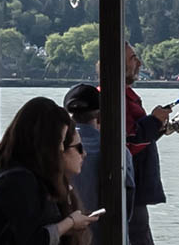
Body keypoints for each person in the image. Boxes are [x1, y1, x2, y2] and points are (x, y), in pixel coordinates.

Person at [0, 96, 97, 245]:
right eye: (59, 141)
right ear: (44, 142)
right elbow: (30, 240)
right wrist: (69, 223)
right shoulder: (19, 182)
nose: (61, 148)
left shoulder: (4, 169)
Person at [63, 84, 134, 245]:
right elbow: (128, 200)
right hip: (109, 236)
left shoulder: (55, 151)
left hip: (70, 236)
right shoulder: (118, 151)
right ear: (100, 116)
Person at [122, 45, 170, 245]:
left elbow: (136, 139)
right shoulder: (117, 98)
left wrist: (158, 126)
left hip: (134, 187)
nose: (139, 63)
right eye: (133, 58)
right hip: (130, 188)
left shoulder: (125, 96)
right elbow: (128, 141)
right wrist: (154, 121)